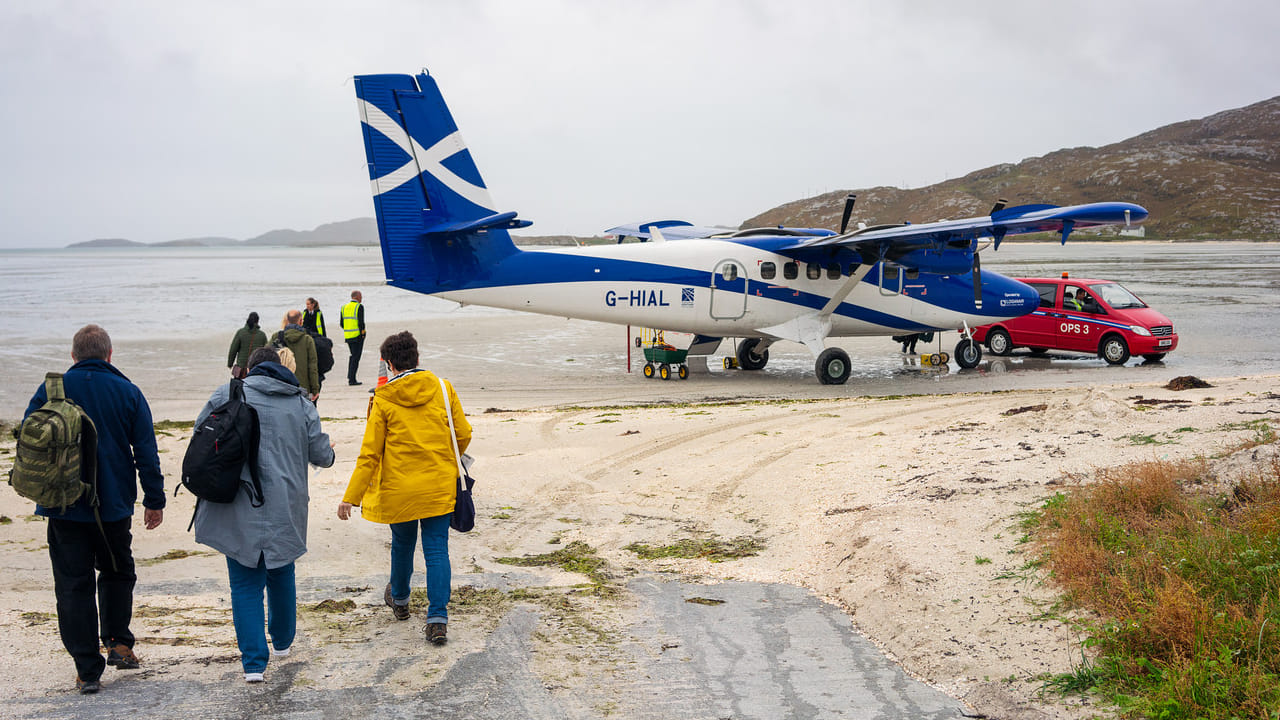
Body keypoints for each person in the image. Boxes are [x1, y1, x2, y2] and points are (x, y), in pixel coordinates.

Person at [22, 324, 165, 695]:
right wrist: (154, 500)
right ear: (109, 355)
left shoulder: (51, 390)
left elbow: (29, 438)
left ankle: (87, 670)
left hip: (62, 505)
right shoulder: (128, 391)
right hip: (113, 505)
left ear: (73, 356)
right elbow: (146, 453)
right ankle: (118, 643)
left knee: (73, 586)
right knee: (117, 573)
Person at [193, 347, 335, 683]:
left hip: (235, 502)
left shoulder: (226, 394)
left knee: (244, 582)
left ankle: (254, 665)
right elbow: (320, 453)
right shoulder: (301, 403)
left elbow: (199, 436)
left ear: (251, 370)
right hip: (285, 502)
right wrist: (330, 456)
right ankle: (283, 643)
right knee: (281, 570)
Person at [338, 331, 470, 646]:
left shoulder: (382, 399)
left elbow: (370, 453)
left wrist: (350, 497)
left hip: (399, 488)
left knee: (403, 544)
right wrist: (444, 459)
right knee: (437, 549)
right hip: (438, 483)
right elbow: (462, 433)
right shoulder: (442, 387)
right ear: (417, 358)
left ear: (389, 364)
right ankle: (437, 619)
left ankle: (399, 600)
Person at [274, 310, 320, 401]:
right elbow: (312, 367)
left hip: (282, 384)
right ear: (301, 321)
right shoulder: (307, 339)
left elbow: (266, 358)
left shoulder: (277, 337)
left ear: (287, 320)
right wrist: (315, 389)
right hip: (303, 386)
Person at [227, 312, 268, 379]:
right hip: (256, 369)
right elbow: (266, 352)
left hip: (241, 369)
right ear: (258, 321)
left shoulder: (240, 332)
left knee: (239, 387)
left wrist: (230, 364)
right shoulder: (262, 335)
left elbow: (233, 349)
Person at [341, 291, 366, 385]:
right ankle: (352, 379)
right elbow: (361, 322)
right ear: (357, 297)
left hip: (348, 335)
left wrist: (348, 329)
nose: (361, 299)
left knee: (352, 356)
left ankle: (350, 376)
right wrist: (363, 333)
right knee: (356, 357)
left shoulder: (344, 307)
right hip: (357, 336)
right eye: (361, 296)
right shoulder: (359, 307)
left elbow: (341, 323)